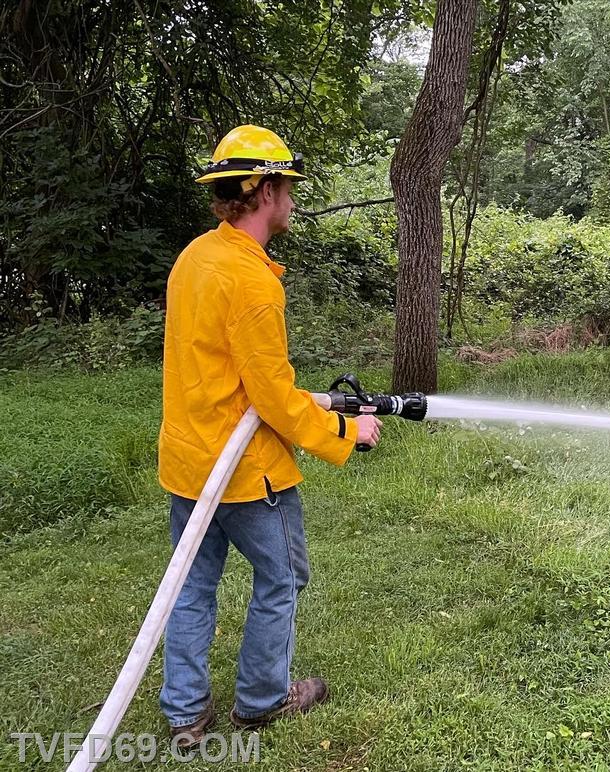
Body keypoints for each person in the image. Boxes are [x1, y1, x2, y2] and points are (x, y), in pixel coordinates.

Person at [157, 125, 381, 749]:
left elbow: (224, 374)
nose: (291, 200)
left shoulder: (196, 258)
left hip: (189, 464)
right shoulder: (253, 282)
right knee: (281, 578)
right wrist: (346, 430)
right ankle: (260, 700)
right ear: (265, 191)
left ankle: (185, 715)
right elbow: (273, 400)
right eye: (287, 187)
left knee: (191, 586)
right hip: (248, 474)